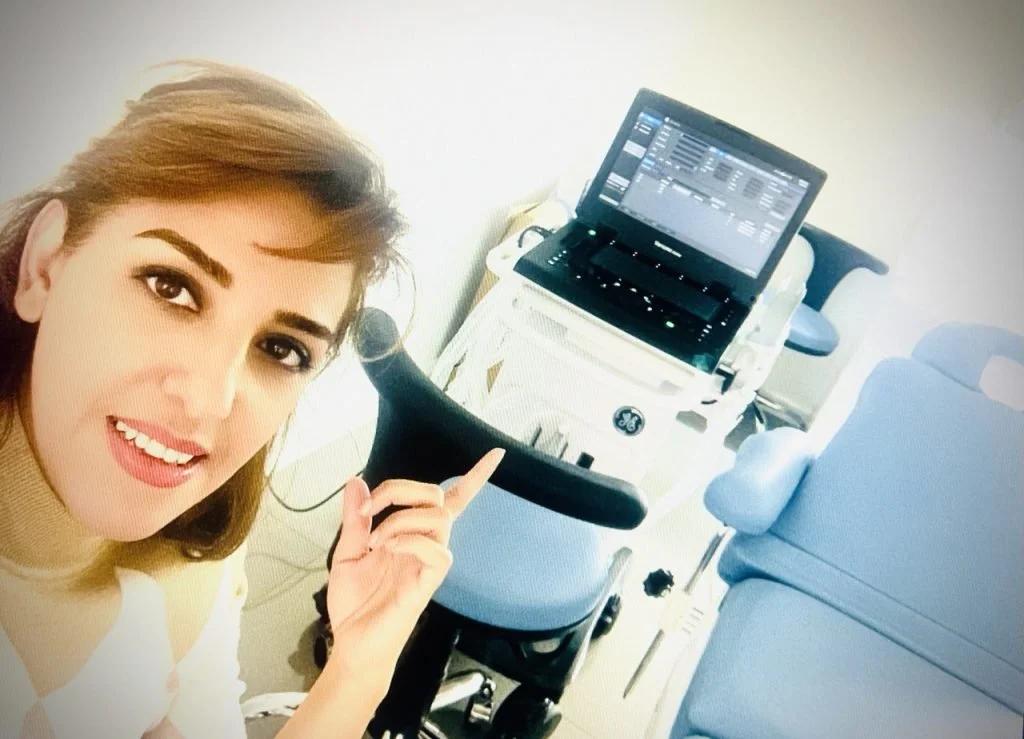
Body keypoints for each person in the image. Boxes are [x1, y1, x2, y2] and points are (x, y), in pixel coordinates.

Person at [0, 60, 504, 738]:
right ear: (45, 264)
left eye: (282, 349)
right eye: (169, 286)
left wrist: (362, 659)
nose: (210, 399)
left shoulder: (193, 552)